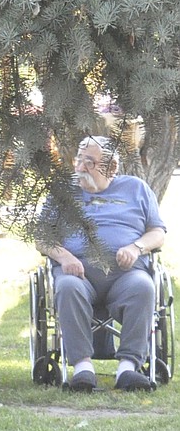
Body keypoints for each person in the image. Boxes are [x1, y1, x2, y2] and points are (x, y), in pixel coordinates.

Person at [37, 135, 166, 393]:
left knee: (144, 287)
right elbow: (41, 237)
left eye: (90, 162)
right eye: (79, 160)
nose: (81, 168)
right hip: (78, 272)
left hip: (126, 274)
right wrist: (65, 257)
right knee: (68, 288)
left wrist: (135, 247)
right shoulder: (62, 192)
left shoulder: (136, 188)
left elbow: (158, 232)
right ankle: (83, 369)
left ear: (112, 167)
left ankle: (128, 369)